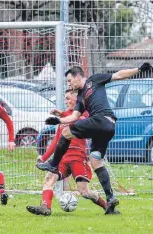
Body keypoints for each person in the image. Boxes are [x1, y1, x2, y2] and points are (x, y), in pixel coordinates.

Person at [36, 63, 153, 214]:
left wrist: (138, 69)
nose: (69, 84)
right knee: (96, 160)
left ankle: (53, 165)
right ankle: (110, 198)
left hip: (102, 120)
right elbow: (74, 116)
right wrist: (59, 120)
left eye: (70, 81)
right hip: (107, 129)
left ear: (78, 77)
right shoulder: (80, 98)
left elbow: (118, 74)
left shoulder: (94, 80)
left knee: (66, 133)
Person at [27, 90, 108, 216]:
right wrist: (43, 158)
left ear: (77, 100)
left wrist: (64, 115)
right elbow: (56, 142)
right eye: (65, 99)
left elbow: (81, 119)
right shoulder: (64, 118)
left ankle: (107, 206)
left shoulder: (85, 114)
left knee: (84, 192)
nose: (66, 101)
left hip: (78, 158)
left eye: (69, 98)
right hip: (63, 159)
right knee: (49, 179)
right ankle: (45, 207)